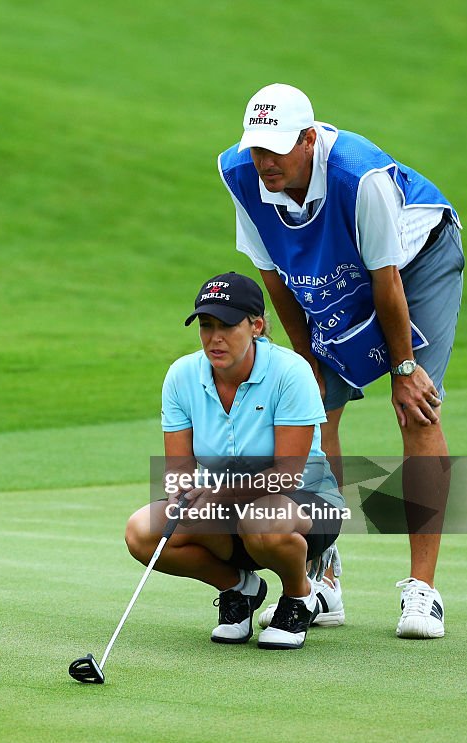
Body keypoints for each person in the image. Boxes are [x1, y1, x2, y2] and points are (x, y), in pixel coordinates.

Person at [217, 83, 463, 639]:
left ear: (308, 139)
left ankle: (423, 593)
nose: (265, 163)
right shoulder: (241, 174)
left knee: (418, 408)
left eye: (277, 149)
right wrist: (305, 363)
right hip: (334, 268)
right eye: (257, 149)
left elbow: (387, 277)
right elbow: (274, 276)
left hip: (415, 261)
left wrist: (402, 370)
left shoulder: (361, 177)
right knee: (315, 406)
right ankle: (322, 573)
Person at [125, 272, 344, 650]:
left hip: (304, 504)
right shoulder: (182, 376)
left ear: (256, 326)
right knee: (142, 532)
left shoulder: (291, 373)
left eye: (227, 325)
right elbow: (178, 471)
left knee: (262, 519)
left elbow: (287, 477)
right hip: (226, 509)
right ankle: (238, 588)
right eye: (207, 326)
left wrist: (214, 496)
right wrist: (182, 493)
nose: (215, 337)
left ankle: (299, 596)